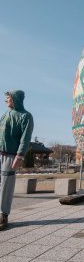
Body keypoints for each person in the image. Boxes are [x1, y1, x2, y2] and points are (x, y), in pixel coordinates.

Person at [0, 90, 34, 230]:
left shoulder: (26, 116)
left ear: (15, 99)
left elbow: (25, 138)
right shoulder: (5, 114)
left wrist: (19, 156)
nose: (5, 101)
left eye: (8, 98)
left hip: (11, 155)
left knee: (6, 186)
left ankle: (3, 215)